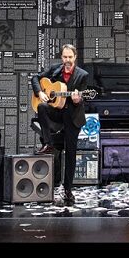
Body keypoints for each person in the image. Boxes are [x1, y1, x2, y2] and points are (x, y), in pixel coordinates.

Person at [31, 44, 90, 206]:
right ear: (61, 57)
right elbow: (35, 78)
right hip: (57, 113)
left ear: (75, 57)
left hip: (72, 115)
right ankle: (49, 144)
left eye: (70, 57)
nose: (67, 60)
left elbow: (82, 97)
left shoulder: (82, 75)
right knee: (41, 106)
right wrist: (40, 92)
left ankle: (68, 189)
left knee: (70, 153)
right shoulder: (55, 70)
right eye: (65, 57)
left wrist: (78, 99)